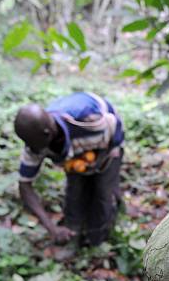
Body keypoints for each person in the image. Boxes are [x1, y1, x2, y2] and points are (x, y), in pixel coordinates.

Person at [14, 91, 124, 247]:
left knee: (102, 192)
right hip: (73, 150)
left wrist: (98, 161)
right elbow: (25, 185)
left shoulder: (89, 120)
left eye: (33, 144)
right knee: (75, 192)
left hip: (107, 144)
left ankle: (97, 239)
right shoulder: (35, 141)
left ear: (47, 134)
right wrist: (51, 228)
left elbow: (115, 134)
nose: (31, 148)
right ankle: (72, 237)